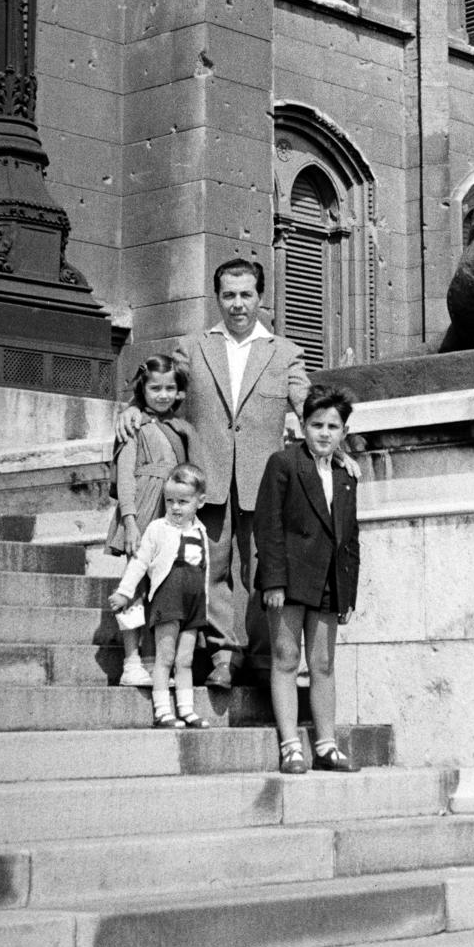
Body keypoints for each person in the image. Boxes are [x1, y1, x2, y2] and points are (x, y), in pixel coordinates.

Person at [116, 258, 309, 689]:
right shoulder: (195, 347)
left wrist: (344, 444)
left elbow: (309, 405)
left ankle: (262, 656)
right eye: (228, 295)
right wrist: (131, 410)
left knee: (264, 571)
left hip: (266, 485)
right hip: (208, 481)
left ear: (260, 297)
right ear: (217, 298)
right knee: (212, 568)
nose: (237, 304)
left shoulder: (285, 352)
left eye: (246, 295)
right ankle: (224, 655)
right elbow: (160, 389)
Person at [253, 384, 361, 775]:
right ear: (302, 425)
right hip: (289, 579)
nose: (324, 433)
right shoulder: (282, 464)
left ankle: (327, 745)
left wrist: (347, 592)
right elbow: (268, 526)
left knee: (323, 663)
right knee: (285, 659)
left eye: (333, 426)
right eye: (317, 424)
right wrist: (274, 582)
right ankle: (290, 745)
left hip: (330, 582)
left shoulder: (346, 474)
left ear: (344, 432)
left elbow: (350, 536)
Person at [105, 355, 199, 687]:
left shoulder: (181, 428)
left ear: (179, 392)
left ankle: (157, 661)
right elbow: (126, 479)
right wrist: (130, 521)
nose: (162, 395)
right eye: (155, 388)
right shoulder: (134, 425)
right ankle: (131, 661)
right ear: (142, 389)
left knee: (166, 588)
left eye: (170, 388)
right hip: (142, 509)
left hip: (172, 511)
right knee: (135, 582)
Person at [108, 466, 211, 729]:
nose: (176, 507)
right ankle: (163, 710)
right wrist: (124, 592)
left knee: (185, 659)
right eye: (170, 501)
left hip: (193, 604)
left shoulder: (200, 531)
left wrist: (205, 607)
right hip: (169, 600)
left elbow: (205, 571)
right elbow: (140, 562)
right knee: (165, 658)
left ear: (200, 502)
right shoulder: (158, 529)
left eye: (183, 502)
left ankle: (186, 710)